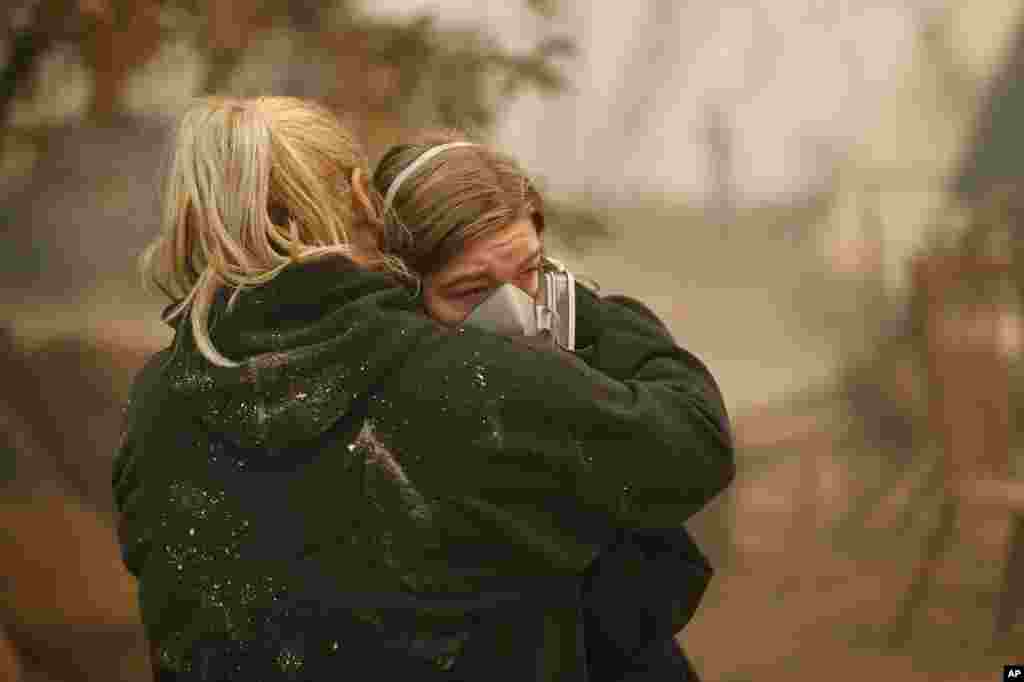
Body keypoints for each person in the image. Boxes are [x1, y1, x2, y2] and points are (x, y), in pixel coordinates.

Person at [113, 95, 735, 681]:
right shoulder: (459, 378)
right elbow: (690, 443)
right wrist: (570, 303)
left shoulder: (154, 408)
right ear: (363, 200)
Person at [373, 132, 725, 680]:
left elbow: (699, 443)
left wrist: (569, 333)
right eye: (471, 291)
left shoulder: (582, 323)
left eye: (527, 274)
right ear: (404, 288)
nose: (514, 310)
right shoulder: (388, 395)